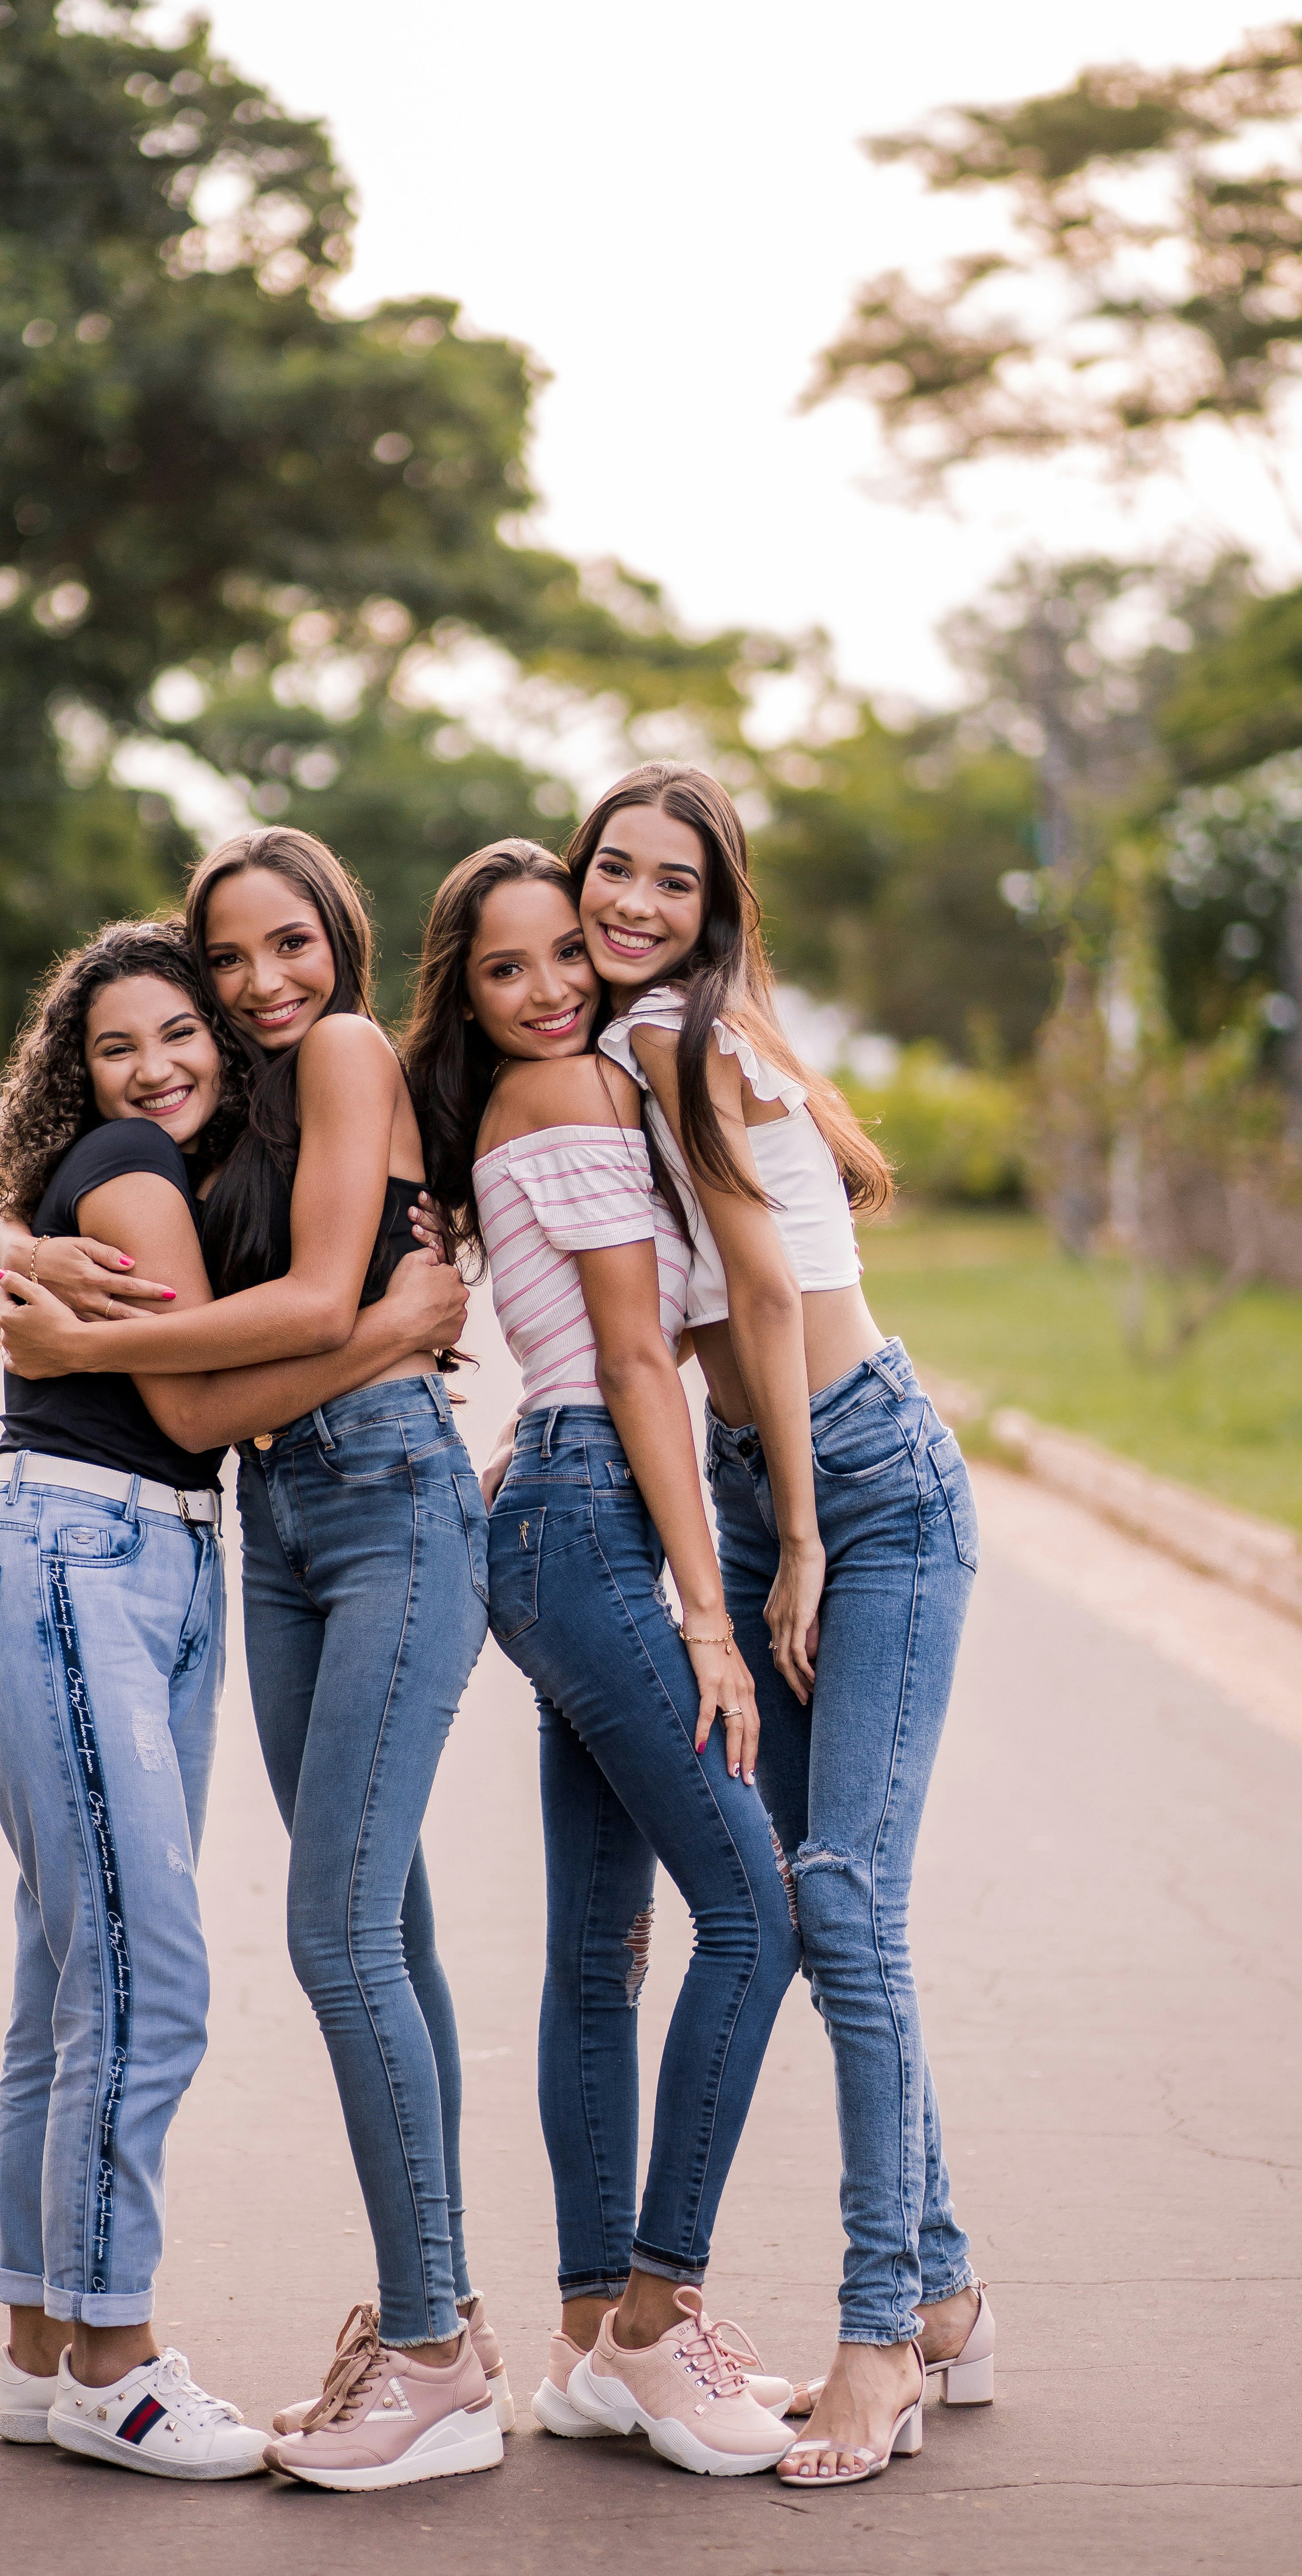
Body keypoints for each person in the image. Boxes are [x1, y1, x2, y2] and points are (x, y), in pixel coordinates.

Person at [0, 836, 508, 2492]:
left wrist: (89, 1338)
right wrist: (16, 1239)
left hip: (384, 1505)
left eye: (292, 945)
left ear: (342, 942)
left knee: (338, 1930)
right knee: (384, 1920)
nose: (264, 982)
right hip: (280, 1522)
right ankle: (450, 2323)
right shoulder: (236, 1114)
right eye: (231, 960)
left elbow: (303, 1297)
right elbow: (89, 1178)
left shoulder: (344, 1053)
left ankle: (429, 2353)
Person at [574, 762, 991, 2486]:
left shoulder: (675, 1038)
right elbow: (673, 1324)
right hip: (770, 1487)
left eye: (676, 882)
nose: (637, 905)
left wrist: (798, 1543)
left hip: (868, 1486)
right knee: (835, 1912)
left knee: (832, 1889)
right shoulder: (615, 1062)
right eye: (616, 869)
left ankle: (880, 2332)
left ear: (715, 906)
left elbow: (762, 1293)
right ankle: (953, 2279)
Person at [402, 839, 805, 2480]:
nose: (557, 985)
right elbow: (638, 1356)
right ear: (471, 998)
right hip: (593, 1522)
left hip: (561, 1517)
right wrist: (709, 1612)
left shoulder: (557, 1096)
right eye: (508, 971)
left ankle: (585, 2341)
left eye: (567, 949)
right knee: (756, 1913)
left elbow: (586, 1342)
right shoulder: (564, 1100)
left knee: (601, 1949)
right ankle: (652, 2322)